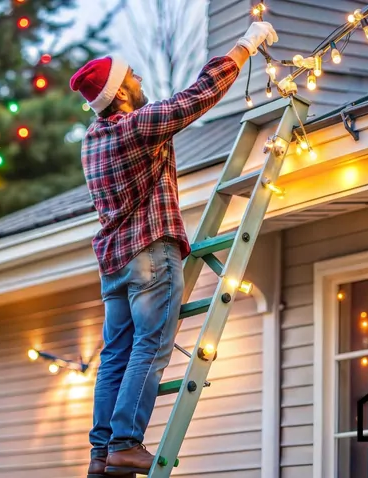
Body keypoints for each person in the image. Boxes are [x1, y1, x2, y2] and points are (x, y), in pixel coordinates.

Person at [69, 21, 279, 477]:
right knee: (151, 346)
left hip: (113, 263)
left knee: (115, 357)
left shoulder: (92, 141)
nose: (141, 80)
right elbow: (197, 96)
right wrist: (246, 45)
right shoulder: (137, 128)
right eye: (133, 78)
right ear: (120, 94)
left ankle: (101, 454)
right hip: (149, 253)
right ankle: (125, 443)